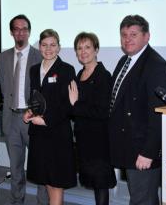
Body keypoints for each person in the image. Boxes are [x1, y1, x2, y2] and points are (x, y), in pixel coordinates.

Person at [108, 15, 166, 205]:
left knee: (143, 200)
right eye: (124, 34)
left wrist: (149, 152)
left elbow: (159, 113)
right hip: (128, 146)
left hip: (142, 151)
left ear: (147, 36)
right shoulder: (124, 61)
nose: (127, 39)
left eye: (133, 34)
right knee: (140, 198)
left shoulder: (156, 66)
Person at [0, 14, 48, 205]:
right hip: (11, 119)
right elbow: (5, 89)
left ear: (29, 31)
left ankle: (43, 202)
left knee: (38, 167)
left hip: (32, 119)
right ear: (12, 32)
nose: (21, 32)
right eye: (17, 29)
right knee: (15, 168)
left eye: (24, 28)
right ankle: (16, 201)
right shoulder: (3, 58)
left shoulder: (39, 55)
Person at [23, 29, 77, 205]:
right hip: (39, 135)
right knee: (46, 180)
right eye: (45, 45)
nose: (48, 49)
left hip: (57, 133)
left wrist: (46, 120)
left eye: (53, 45)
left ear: (59, 47)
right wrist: (30, 111)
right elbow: (36, 98)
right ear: (39, 47)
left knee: (56, 182)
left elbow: (68, 105)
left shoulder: (67, 70)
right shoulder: (33, 70)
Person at [68, 32, 116, 205]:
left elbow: (102, 111)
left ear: (96, 50)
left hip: (99, 140)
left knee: (101, 184)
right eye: (79, 48)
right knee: (93, 182)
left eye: (87, 47)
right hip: (83, 139)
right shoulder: (78, 76)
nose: (83, 52)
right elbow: (71, 108)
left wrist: (75, 105)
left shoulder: (104, 76)